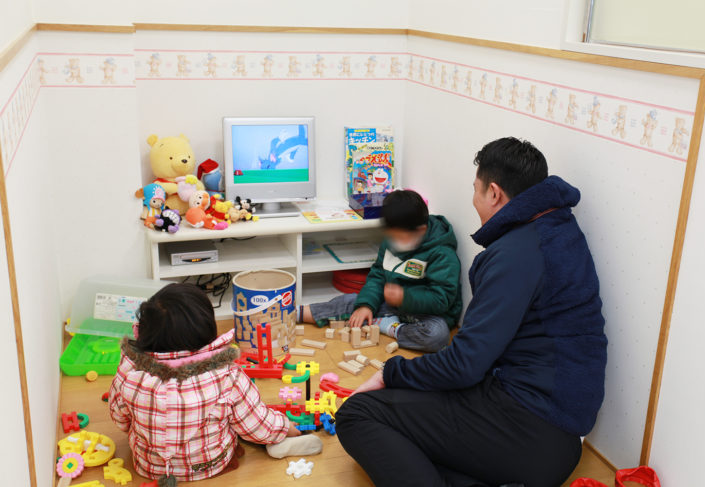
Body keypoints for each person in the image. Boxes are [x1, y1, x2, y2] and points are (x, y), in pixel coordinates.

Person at [335, 137, 608, 487]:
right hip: (555, 430)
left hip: (530, 429)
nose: (475, 199)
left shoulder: (516, 254)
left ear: (494, 193)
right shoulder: (556, 227)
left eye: (476, 190)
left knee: (357, 413)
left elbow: (465, 365)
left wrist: (391, 372)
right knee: (416, 424)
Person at [108, 283, 320, 484]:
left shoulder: (129, 370)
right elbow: (256, 422)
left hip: (148, 466)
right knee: (239, 423)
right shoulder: (225, 374)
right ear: (206, 332)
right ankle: (279, 443)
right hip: (210, 464)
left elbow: (120, 418)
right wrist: (284, 426)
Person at [299, 189, 462, 352]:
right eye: (390, 236)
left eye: (399, 237)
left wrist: (404, 297)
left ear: (420, 231)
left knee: (437, 335)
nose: (393, 242)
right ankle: (295, 312)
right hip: (393, 307)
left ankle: (389, 327)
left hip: (426, 314)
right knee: (351, 301)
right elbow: (377, 276)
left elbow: (441, 300)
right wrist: (367, 305)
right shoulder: (392, 242)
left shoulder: (442, 254)